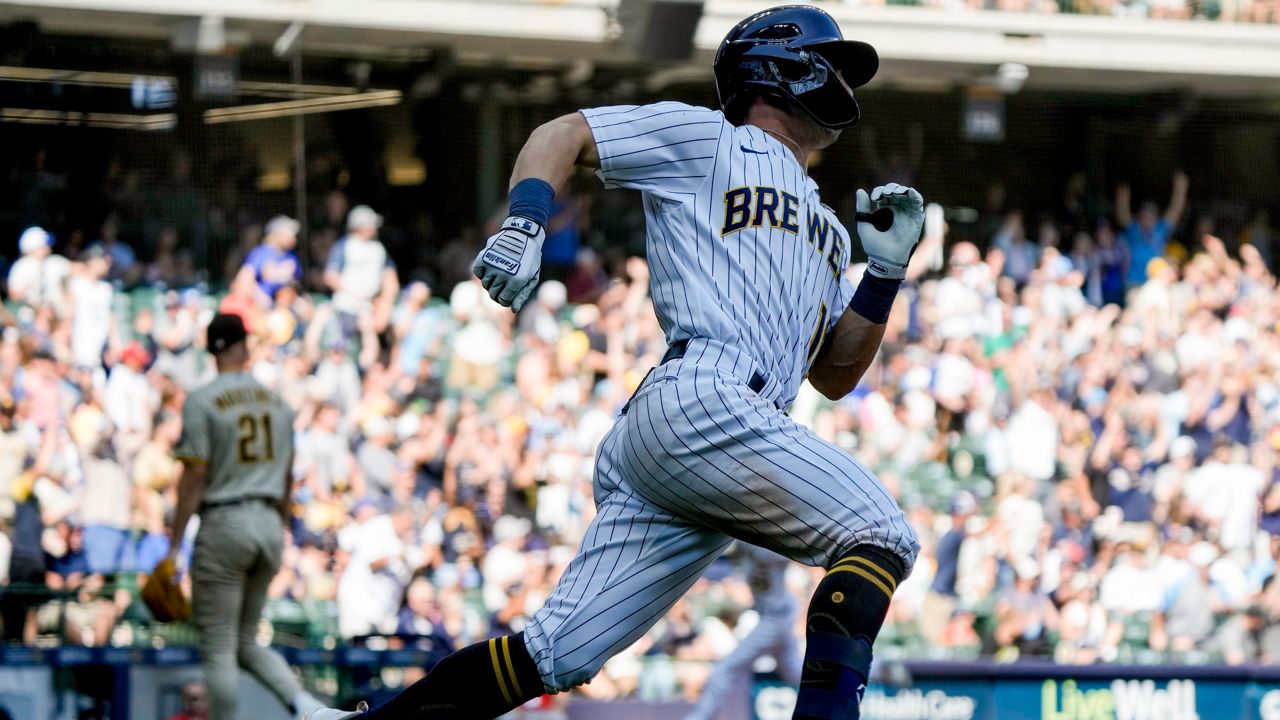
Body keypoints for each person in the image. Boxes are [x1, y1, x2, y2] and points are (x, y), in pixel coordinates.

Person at [305, 6, 923, 719]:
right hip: (705, 395)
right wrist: (525, 222)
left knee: (555, 654)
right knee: (881, 535)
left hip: (711, 433)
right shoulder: (712, 139)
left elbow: (835, 375)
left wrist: (884, 274)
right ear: (783, 66)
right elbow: (561, 134)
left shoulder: (831, 231)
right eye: (834, 63)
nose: (845, 80)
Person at [167, 314, 321, 720]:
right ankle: (309, 708)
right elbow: (287, 478)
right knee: (245, 643)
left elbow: (194, 477)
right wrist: (279, 528)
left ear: (211, 349)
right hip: (269, 521)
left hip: (225, 520)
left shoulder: (202, 400)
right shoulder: (278, 403)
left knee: (219, 644)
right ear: (244, 346)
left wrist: (174, 545)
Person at [684, 544, 802, 720]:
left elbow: (794, 549)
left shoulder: (766, 545)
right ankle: (833, 696)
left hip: (774, 619)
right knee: (794, 673)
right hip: (776, 615)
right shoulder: (745, 546)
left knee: (724, 670)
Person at [1115, 170, 1188, 289]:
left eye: (1150, 216)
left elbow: (1176, 209)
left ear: (1156, 218)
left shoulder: (1161, 230)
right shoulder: (1134, 230)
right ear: (1138, 217)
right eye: (1143, 216)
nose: (1146, 219)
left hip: (1156, 282)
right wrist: (1123, 196)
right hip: (1133, 283)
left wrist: (1180, 189)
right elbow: (1122, 214)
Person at [240, 215, 302, 305]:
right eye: (289, 233)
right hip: (263, 306)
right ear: (276, 235)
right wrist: (261, 298)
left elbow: (296, 283)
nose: (293, 237)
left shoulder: (291, 256)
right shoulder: (260, 253)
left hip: (286, 303)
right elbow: (243, 281)